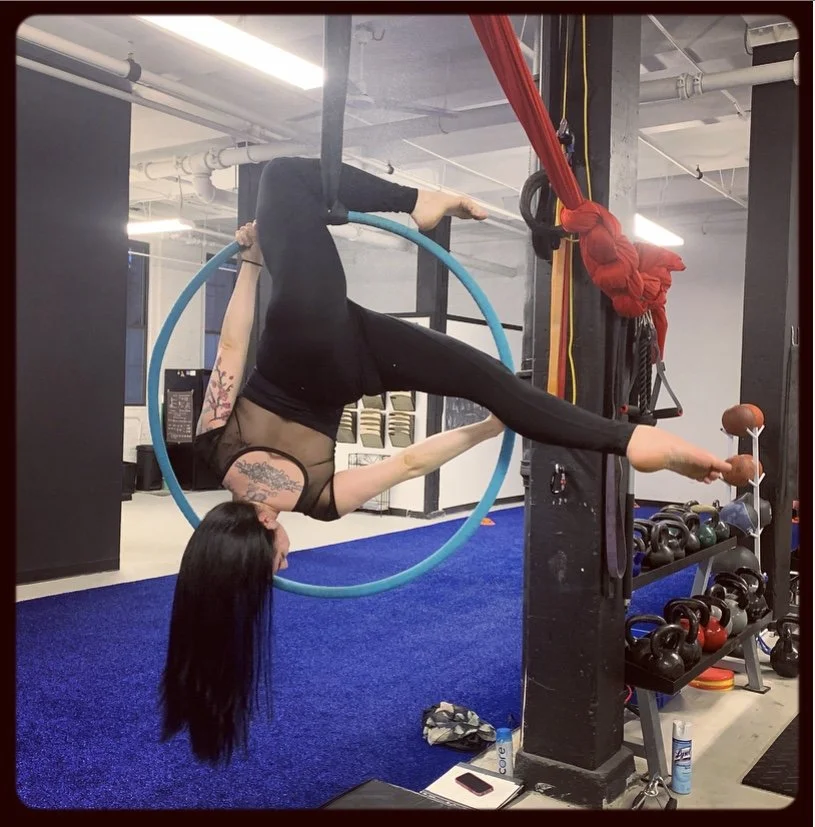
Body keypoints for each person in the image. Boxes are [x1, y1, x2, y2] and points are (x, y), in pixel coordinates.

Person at [160, 157, 731, 764]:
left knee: (496, 386)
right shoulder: (213, 448)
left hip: (356, 365)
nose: (284, 561)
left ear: (264, 527)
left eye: (273, 562)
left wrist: (487, 428)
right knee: (281, 179)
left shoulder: (319, 500)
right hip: (304, 326)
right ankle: (417, 200)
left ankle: (628, 441)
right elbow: (232, 345)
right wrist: (251, 264)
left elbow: (410, 463)